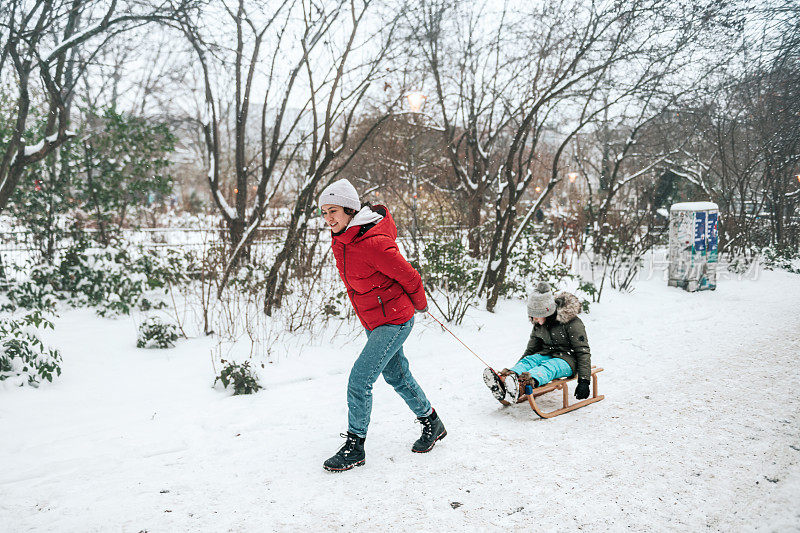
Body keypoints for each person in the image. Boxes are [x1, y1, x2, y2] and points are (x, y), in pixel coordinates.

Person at [318, 178, 446, 472]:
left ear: (350, 209)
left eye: (333, 210)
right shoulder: (344, 239)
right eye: (324, 212)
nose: (328, 218)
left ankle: (355, 446)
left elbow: (411, 278)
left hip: (394, 320)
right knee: (398, 375)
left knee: (360, 381)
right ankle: (432, 422)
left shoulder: (373, 244)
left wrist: (421, 305)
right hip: (375, 320)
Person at [483, 282, 592, 403]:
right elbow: (530, 350)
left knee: (548, 367)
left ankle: (521, 386)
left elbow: (583, 351)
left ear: (547, 313)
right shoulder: (539, 324)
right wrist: (517, 370)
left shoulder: (573, 323)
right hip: (547, 354)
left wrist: (584, 381)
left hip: (568, 359)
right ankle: (504, 381)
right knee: (530, 360)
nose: (533, 320)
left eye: (536, 316)